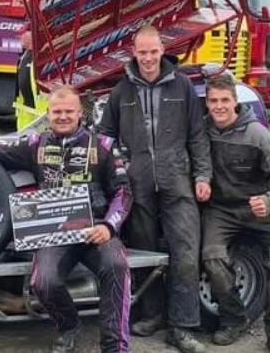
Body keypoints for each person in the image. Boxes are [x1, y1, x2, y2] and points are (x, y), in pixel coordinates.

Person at [0, 86, 133, 353]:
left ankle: (115, 346)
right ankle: (68, 326)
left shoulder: (104, 146)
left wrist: (109, 225)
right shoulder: (36, 144)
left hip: (96, 228)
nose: (63, 116)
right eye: (57, 112)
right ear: (48, 113)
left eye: (69, 111)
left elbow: (123, 192)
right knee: (43, 282)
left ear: (80, 114)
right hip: (54, 232)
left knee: (117, 265)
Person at [99, 25, 212, 353]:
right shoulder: (121, 91)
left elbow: (197, 135)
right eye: (142, 52)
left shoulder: (182, 86)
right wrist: (121, 170)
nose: (148, 58)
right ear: (134, 53)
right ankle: (152, 315)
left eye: (153, 52)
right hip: (139, 185)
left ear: (163, 51)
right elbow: (106, 137)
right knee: (144, 252)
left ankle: (182, 326)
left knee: (185, 253)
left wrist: (202, 175)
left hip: (178, 179)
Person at [202, 74, 270, 353]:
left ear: (235, 101)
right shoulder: (202, 131)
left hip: (260, 210)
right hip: (221, 209)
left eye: (224, 100)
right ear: (207, 103)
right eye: (213, 101)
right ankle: (234, 319)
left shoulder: (257, 134)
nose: (219, 106)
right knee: (212, 258)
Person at [14, 29, 47, 131]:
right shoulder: (24, 56)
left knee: (41, 134)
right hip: (26, 108)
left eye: (23, 34)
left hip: (40, 108)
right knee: (24, 135)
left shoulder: (42, 55)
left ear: (31, 35)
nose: (20, 38)